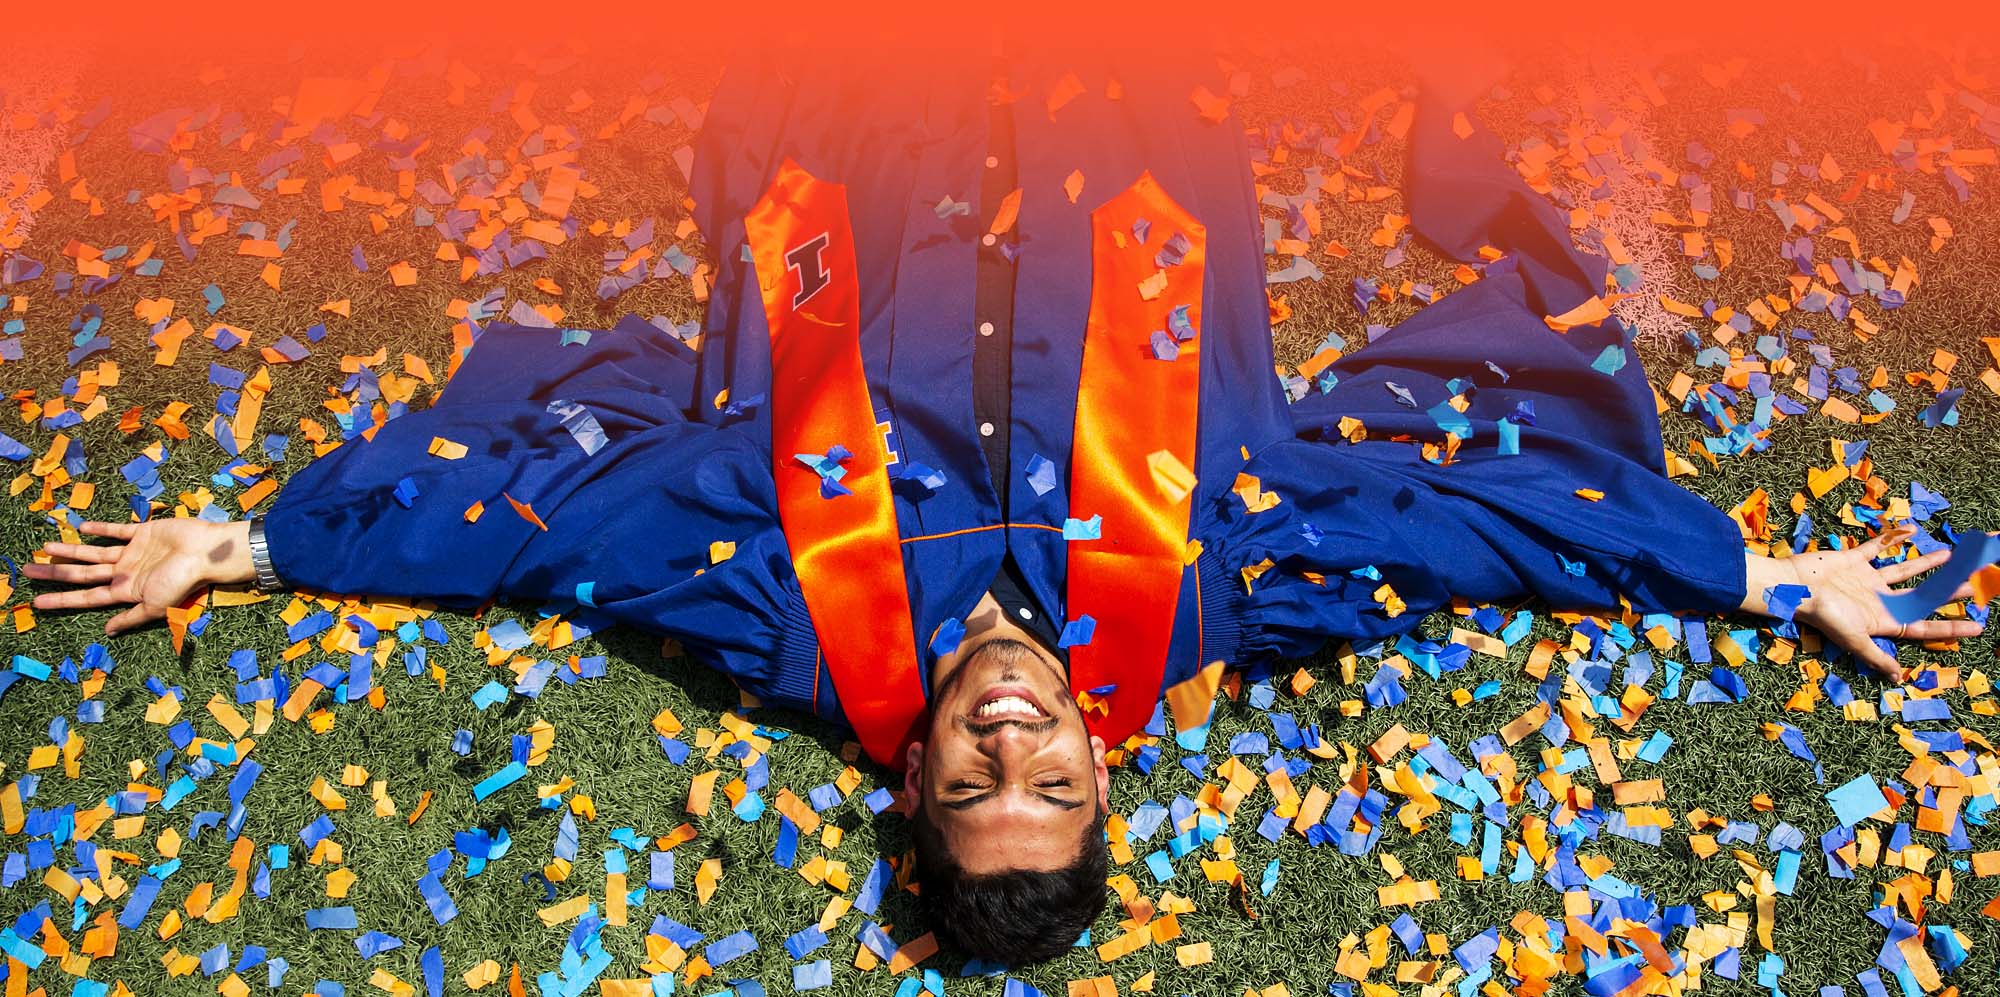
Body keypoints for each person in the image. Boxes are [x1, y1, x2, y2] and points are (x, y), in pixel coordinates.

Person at [22, 41, 1985, 965]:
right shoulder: (1207, 599)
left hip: (869, 164)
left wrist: (257, 542)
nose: (1014, 738)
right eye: (1051, 780)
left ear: (917, 786)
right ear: (1106, 777)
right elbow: (1458, 532)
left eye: (974, 786)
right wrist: (1755, 567)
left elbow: (550, 530)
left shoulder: (778, 619)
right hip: (1107, 127)